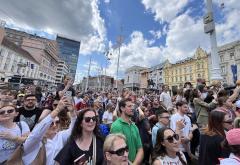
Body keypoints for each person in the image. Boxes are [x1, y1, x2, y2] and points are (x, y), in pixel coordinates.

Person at [21, 96, 76, 165]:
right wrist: (57, 109)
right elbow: (40, 127)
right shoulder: (34, 139)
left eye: (57, 122)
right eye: (51, 124)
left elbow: (74, 129)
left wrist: (72, 112)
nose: (55, 125)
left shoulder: (60, 136)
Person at [110, 98, 144, 164]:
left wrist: (134, 164)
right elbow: (118, 152)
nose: (132, 108)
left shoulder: (134, 126)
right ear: (122, 108)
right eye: (129, 106)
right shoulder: (116, 126)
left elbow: (140, 149)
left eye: (133, 106)